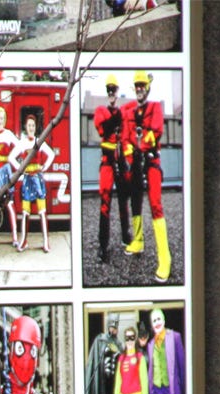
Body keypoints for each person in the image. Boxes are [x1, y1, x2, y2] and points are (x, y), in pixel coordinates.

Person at [121, 70, 171, 281]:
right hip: (136, 163)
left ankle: (165, 258)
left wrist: (141, 145)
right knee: (135, 202)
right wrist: (131, 157)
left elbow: (156, 130)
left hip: (151, 162)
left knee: (155, 204)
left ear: (147, 88)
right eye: (137, 86)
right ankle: (138, 241)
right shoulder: (130, 112)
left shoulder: (155, 108)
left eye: (143, 85)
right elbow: (125, 138)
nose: (140, 89)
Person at [92, 73, 131, 259]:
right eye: (108, 90)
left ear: (117, 92)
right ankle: (103, 244)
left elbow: (125, 134)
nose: (111, 93)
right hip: (107, 161)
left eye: (113, 90)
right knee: (105, 201)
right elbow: (102, 129)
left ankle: (126, 236)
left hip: (120, 159)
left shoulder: (121, 112)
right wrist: (114, 121)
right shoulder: (101, 110)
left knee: (124, 199)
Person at [10, 114, 57, 253]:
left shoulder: (39, 141)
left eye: (33, 125)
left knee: (42, 212)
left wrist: (44, 167)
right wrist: (21, 168)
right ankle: (23, 241)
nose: (31, 128)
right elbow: (11, 157)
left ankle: (46, 242)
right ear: (26, 127)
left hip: (38, 179)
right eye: (29, 125)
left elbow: (51, 155)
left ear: (35, 127)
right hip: (27, 181)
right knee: (25, 213)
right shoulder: (22, 142)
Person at [145, 306, 186, 394]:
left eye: (159, 319)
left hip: (170, 389)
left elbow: (182, 367)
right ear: (152, 325)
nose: (157, 323)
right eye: (154, 321)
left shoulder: (175, 337)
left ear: (163, 321)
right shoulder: (150, 344)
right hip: (156, 391)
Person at [86, 320, 120, 394]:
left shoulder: (118, 343)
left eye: (115, 327)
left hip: (114, 380)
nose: (113, 330)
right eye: (111, 327)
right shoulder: (100, 340)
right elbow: (97, 357)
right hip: (103, 379)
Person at [112, 324, 147, 394]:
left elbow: (144, 383)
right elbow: (118, 381)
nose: (130, 341)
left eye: (132, 338)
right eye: (127, 338)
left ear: (135, 339)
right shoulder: (121, 358)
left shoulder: (140, 357)